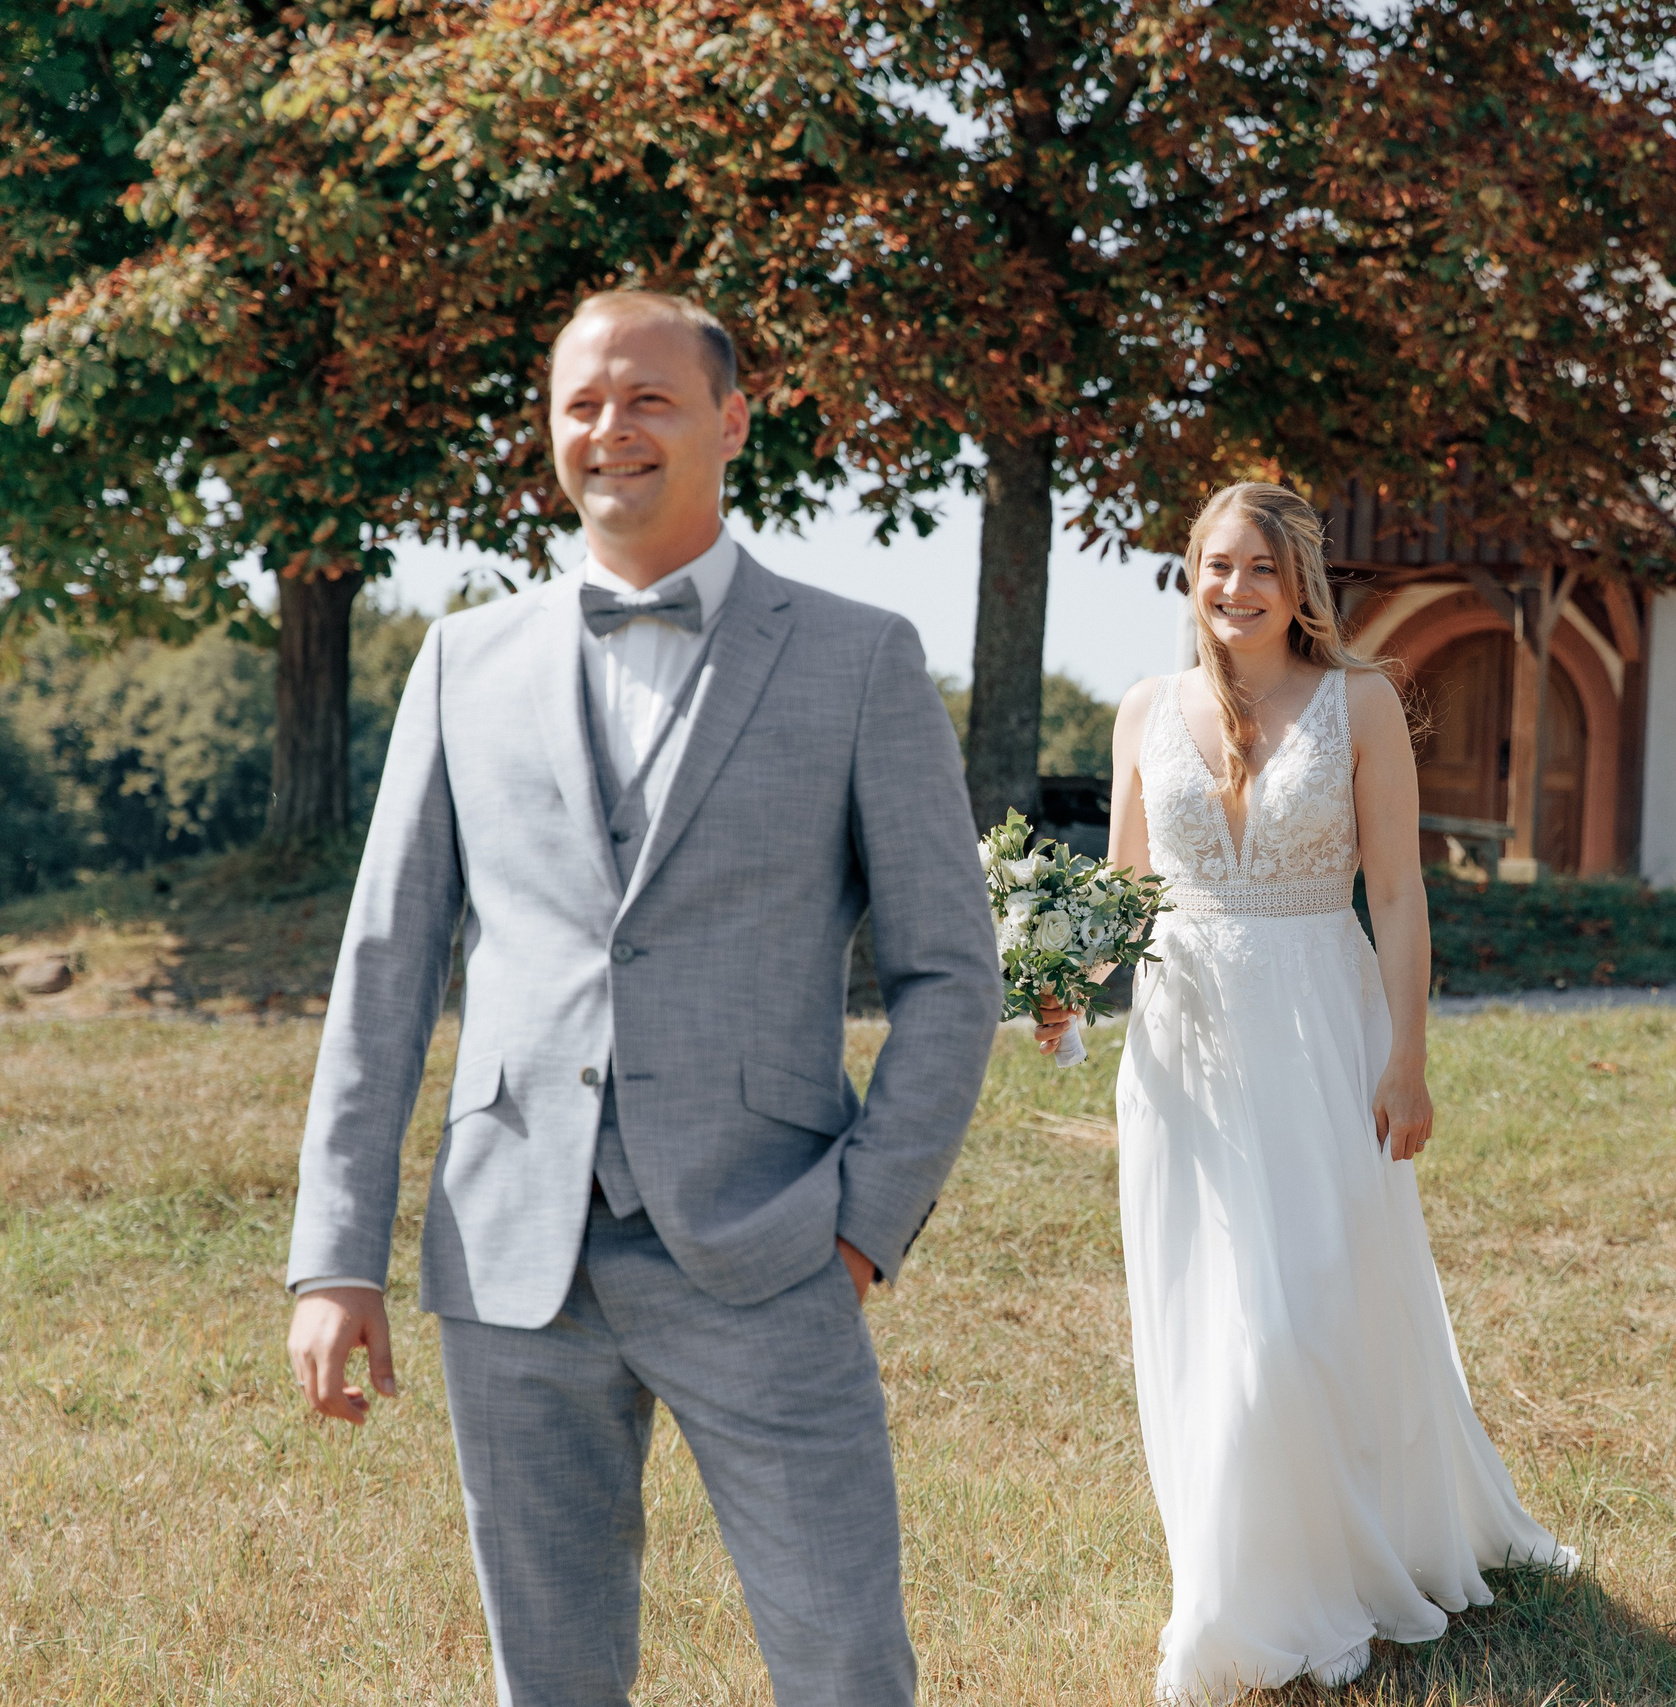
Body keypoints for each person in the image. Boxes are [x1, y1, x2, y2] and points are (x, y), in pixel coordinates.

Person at [282, 290, 1000, 1707]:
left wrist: (862, 1226)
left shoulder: (859, 658)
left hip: (770, 1240)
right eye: (582, 403)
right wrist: (334, 1257)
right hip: (512, 1251)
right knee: (549, 1675)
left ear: (731, 421)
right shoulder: (463, 662)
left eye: (650, 398)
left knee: (844, 1659)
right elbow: (386, 964)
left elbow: (949, 971)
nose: (610, 428)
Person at [1043, 482, 1574, 1702]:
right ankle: (1231, 1590)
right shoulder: (1143, 709)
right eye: (1215, 566)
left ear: (1298, 588)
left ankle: (1328, 1560)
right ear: (1190, 574)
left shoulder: (1360, 702)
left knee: (1302, 1316)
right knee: (1211, 1311)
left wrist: (1407, 1056)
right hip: (1181, 1048)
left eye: (1259, 571)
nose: (1233, 590)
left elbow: (1396, 892)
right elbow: (1123, 891)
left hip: (1320, 1029)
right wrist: (1062, 984)